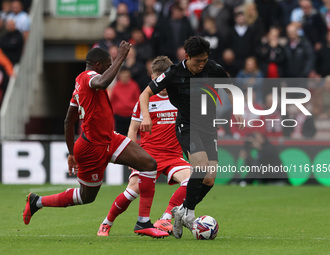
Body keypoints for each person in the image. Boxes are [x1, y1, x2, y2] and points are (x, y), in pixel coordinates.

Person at [22, 41, 157, 227]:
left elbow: (68, 121)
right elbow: (102, 83)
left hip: (110, 139)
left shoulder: (79, 83)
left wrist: (71, 152)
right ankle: (37, 202)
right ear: (98, 65)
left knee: (149, 164)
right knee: (86, 197)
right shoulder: (89, 77)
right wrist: (120, 57)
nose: (109, 69)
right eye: (108, 66)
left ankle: (143, 222)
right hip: (92, 148)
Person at [139, 36, 244, 239]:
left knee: (210, 179)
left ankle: (181, 210)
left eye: (204, 60)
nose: (201, 65)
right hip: (187, 125)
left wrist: (237, 110)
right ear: (186, 57)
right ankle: (189, 213)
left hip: (208, 127)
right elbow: (145, 94)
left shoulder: (213, 68)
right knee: (201, 166)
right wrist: (146, 117)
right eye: (198, 61)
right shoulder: (173, 73)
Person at [97, 56, 191, 238]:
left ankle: (164, 218)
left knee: (193, 180)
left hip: (173, 156)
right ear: (152, 77)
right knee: (132, 192)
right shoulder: (145, 100)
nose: (162, 84)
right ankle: (106, 223)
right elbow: (132, 130)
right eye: (157, 79)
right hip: (148, 156)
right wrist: (132, 156)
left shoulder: (179, 99)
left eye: (165, 79)